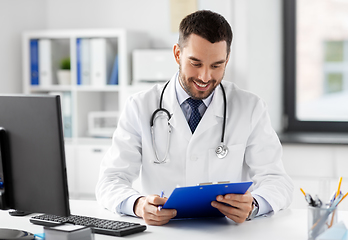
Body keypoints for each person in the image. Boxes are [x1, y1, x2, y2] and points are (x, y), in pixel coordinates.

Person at [96, 10, 293, 226]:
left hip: (225, 234)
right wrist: (137, 204)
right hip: (162, 233)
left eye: (216, 65)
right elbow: (110, 180)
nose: (205, 77)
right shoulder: (140, 106)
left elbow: (277, 180)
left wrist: (255, 204)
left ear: (227, 59)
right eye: (196, 63)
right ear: (178, 54)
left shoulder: (250, 108)